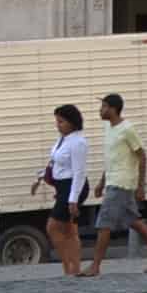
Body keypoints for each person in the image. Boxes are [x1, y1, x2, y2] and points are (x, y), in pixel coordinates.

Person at [86, 89, 147, 275]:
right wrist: (101, 182)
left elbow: (142, 156)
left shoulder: (127, 129)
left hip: (122, 183)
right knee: (134, 221)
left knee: (104, 223)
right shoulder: (109, 128)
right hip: (112, 181)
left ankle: (95, 266)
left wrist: (141, 185)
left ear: (113, 109)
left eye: (104, 106)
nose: (100, 110)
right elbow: (112, 159)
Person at [38, 103, 92, 278]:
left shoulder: (78, 142)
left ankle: (69, 266)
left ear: (72, 122)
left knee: (53, 227)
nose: (58, 125)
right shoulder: (63, 139)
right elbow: (56, 162)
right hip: (62, 186)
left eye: (61, 122)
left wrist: (73, 199)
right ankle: (73, 268)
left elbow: (79, 172)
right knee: (69, 229)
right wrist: (41, 176)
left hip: (73, 186)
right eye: (57, 121)